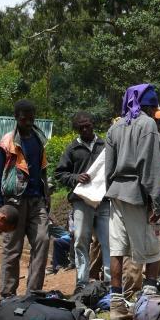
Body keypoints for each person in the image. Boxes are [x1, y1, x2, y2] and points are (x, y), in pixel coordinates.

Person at [105, 83, 160, 320]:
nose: (154, 114)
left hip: (117, 194)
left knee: (117, 249)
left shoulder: (116, 127)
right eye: (153, 108)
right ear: (148, 106)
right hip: (139, 195)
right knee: (152, 249)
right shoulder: (148, 125)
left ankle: (116, 305)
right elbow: (149, 167)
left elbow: (109, 168)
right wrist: (155, 204)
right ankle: (149, 303)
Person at [0, 99, 50, 298]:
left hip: (37, 201)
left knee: (42, 240)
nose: (28, 121)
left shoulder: (38, 139)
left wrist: (46, 197)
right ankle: (7, 295)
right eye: (24, 117)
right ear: (16, 117)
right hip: (13, 204)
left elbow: (43, 170)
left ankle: (33, 292)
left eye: (31, 117)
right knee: (12, 249)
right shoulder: (8, 141)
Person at [54, 111, 110, 290]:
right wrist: (75, 177)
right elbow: (59, 173)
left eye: (88, 125)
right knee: (80, 240)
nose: (85, 129)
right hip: (81, 201)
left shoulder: (104, 145)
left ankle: (109, 282)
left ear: (93, 124)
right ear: (77, 129)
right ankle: (82, 282)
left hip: (103, 201)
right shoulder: (72, 149)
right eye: (81, 127)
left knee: (108, 240)